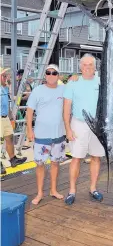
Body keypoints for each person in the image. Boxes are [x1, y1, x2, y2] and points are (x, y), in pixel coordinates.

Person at [63, 54, 105, 205]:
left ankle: (93, 188)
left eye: (90, 65)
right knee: (76, 158)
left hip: (97, 125)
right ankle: (72, 190)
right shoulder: (72, 83)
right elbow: (66, 108)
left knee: (96, 157)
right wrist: (68, 129)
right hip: (78, 124)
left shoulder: (102, 82)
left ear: (95, 67)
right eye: (85, 65)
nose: (87, 67)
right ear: (80, 67)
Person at [27, 64, 66, 205]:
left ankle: (53, 190)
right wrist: (29, 131)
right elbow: (29, 111)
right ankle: (39, 193)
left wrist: (75, 78)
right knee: (40, 165)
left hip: (59, 134)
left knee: (55, 163)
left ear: (59, 76)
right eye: (48, 73)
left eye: (54, 73)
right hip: (41, 136)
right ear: (45, 75)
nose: (51, 75)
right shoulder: (37, 91)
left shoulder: (64, 89)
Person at [0, 67, 27, 175]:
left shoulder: (4, 87)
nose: (6, 77)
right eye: (3, 75)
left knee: (9, 137)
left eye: (6, 75)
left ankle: (13, 159)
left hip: (5, 117)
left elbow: (8, 101)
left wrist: (11, 116)